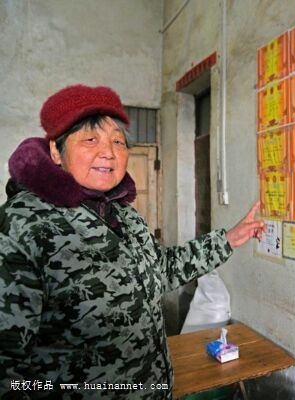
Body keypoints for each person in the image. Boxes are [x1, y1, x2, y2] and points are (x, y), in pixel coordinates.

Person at [0, 84, 265, 399]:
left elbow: (161, 269)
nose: (108, 152)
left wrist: (228, 240)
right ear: (56, 152)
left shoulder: (124, 214)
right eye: (90, 139)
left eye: (117, 140)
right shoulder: (22, 226)